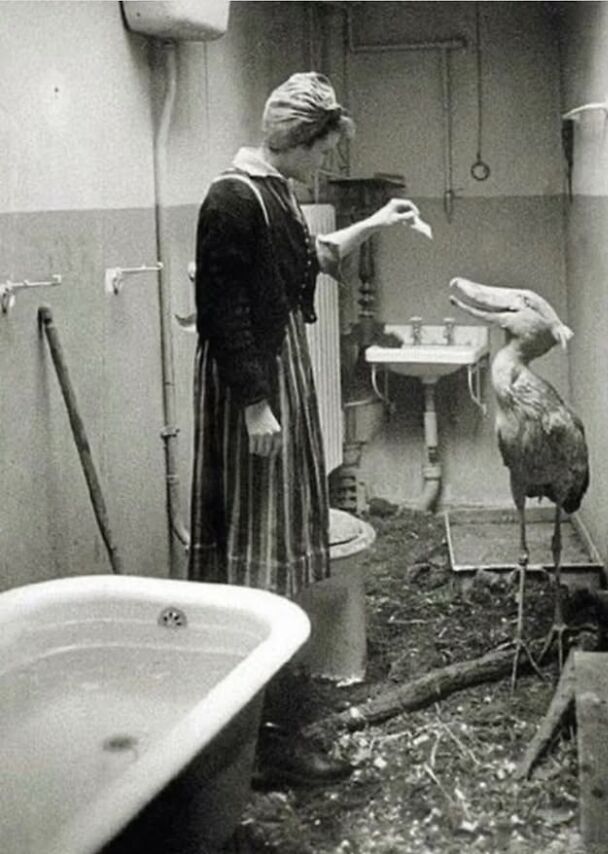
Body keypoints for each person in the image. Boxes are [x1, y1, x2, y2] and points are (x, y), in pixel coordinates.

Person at [188, 71, 423, 788]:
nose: (324, 164)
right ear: (296, 139)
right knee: (258, 542)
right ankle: (257, 738)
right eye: (321, 149)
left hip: (276, 366)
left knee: (283, 534)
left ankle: (271, 715)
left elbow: (312, 259)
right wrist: (257, 403)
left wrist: (378, 223)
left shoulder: (276, 193)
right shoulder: (233, 198)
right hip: (252, 381)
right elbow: (222, 306)